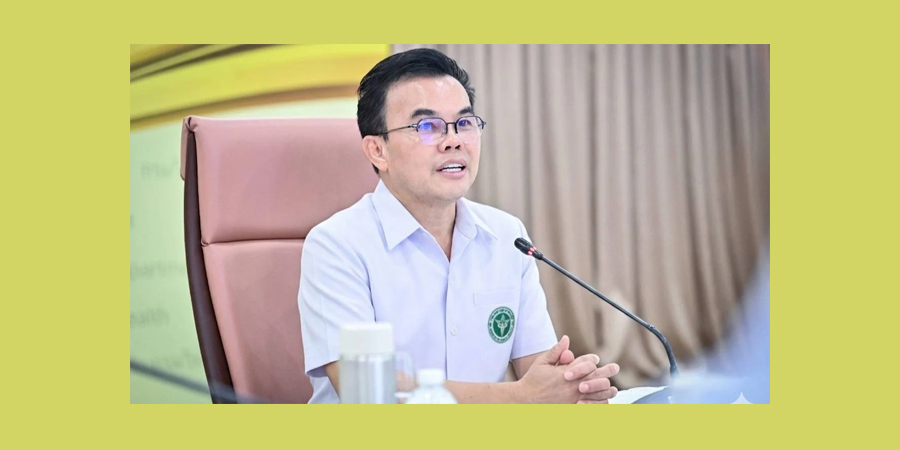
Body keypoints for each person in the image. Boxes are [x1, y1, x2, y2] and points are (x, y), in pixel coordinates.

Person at [298, 48, 619, 404]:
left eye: (464, 123)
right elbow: (365, 387)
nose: (454, 141)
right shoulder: (336, 245)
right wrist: (520, 398)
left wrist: (571, 388)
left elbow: (538, 372)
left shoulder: (507, 236)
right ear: (378, 151)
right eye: (427, 126)